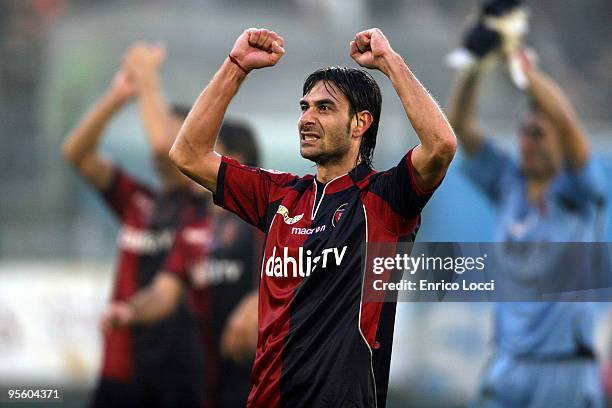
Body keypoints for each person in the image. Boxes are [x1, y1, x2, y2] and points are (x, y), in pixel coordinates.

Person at [169, 27, 456, 408]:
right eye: (304, 107)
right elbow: (188, 154)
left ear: (360, 123)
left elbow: (441, 145)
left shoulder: (385, 200)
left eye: (324, 108)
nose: (306, 118)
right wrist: (236, 66)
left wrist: (389, 62)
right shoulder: (279, 195)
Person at [448, 47, 607, 407]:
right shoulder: (508, 182)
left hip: (564, 367)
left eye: (539, 133)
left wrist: (525, 73)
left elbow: (566, 121)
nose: (528, 142)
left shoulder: (578, 191)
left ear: (560, 143)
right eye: (524, 133)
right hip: (509, 363)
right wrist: (473, 63)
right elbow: (459, 124)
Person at [62, 43, 205, 408]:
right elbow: (76, 153)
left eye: (178, 136)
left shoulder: (204, 209)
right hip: (121, 366)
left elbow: (162, 147)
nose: (165, 143)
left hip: (177, 372)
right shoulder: (139, 200)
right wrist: (118, 96)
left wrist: (146, 77)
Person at [101, 120, 263, 408]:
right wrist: (129, 310)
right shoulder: (192, 230)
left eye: (206, 151)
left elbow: (306, 276)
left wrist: (260, 299)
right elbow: (163, 293)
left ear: (233, 161)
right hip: (207, 383)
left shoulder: (268, 218)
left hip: (264, 380)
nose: (192, 160)